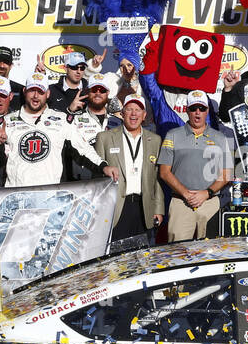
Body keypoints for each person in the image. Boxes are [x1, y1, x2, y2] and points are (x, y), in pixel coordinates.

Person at [0, 75, 113, 188]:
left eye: (40, 91)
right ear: (24, 91)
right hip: (16, 194)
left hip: (49, 195)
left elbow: (82, 149)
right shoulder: (6, 122)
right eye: (32, 90)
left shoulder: (62, 120)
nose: (36, 96)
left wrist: (103, 167)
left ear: (47, 94)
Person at [158, 90, 232, 241]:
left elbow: (226, 174)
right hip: (180, 202)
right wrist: (186, 194)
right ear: (187, 110)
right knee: (178, 253)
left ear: (207, 111)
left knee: (211, 253)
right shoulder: (172, 135)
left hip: (210, 203)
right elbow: (164, 172)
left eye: (202, 108)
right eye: (193, 108)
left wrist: (206, 193)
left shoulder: (220, 138)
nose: (197, 113)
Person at [95, 95, 163, 247]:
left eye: (138, 110)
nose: (134, 114)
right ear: (122, 113)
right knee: (115, 258)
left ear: (144, 115)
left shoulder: (155, 140)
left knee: (142, 257)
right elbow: (96, 178)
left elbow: (156, 179)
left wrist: (158, 208)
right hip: (116, 207)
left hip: (143, 207)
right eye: (130, 109)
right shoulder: (105, 138)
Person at [48, 49, 92, 115]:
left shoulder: (90, 91)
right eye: (74, 67)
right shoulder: (51, 90)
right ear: (66, 68)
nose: (78, 71)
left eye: (82, 68)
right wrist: (69, 110)